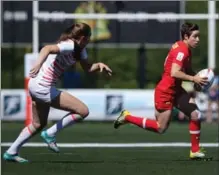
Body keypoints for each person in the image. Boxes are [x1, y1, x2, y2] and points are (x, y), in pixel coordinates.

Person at [3, 22, 112, 163]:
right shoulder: (70, 44)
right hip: (43, 87)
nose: (90, 40)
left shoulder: (80, 50)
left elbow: (88, 68)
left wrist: (99, 65)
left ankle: (11, 152)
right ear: (83, 37)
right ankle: (50, 133)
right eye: (89, 37)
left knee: (37, 124)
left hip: (35, 85)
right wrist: (37, 64)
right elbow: (47, 48)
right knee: (83, 111)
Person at [114, 22, 210, 160]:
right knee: (161, 128)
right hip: (165, 91)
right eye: (195, 36)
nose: (198, 39)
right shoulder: (182, 51)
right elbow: (175, 72)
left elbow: (187, 69)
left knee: (195, 114)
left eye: (198, 36)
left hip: (176, 89)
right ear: (186, 36)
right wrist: (193, 79)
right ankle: (127, 117)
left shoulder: (185, 48)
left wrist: (197, 79)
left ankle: (194, 151)